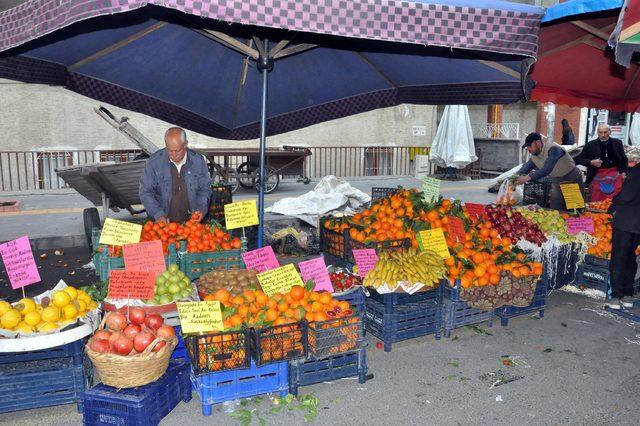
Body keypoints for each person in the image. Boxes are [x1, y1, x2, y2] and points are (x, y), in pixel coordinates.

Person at [139, 127, 211, 223]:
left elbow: (205, 189)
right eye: (169, 150)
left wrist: (201, 209)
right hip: (163, 224)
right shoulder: (154, 162)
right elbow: (145, 192)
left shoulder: (198, 161)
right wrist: (158, 214)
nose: (173, 155)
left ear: (185, 144)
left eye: (177, 151)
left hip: (192, 224)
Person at [515, 132, 585, 211]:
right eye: (527, 147)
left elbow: (547, 169)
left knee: (575, 212)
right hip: (557, 183)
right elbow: (525, 168)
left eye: (530, 146)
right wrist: (512, 179)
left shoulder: (554, 149)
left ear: (538, 142)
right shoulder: (534, 157)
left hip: (571, 181)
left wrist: (527, 178)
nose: (528, 149)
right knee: (555, 212)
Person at [605, 163, 640, 309]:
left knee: (619, 258)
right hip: (638, 224)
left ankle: (615, 297)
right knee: (631, 258)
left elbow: (627, 195)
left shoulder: (638, 170)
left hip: (626, 222)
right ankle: (628, 295)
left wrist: (614, 202)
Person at [575, 123, 628, 201]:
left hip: (615, 175)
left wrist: (624, 172)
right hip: (597, 175)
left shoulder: (617, 143)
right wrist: (591, 162)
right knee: (597, 202)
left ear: (610, 132)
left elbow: (624, 159)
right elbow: (578, 159)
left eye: (605, 132)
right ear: (597, 132)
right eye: (600, 132)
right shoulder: (590, 145)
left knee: (615, 201)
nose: (603, 135)